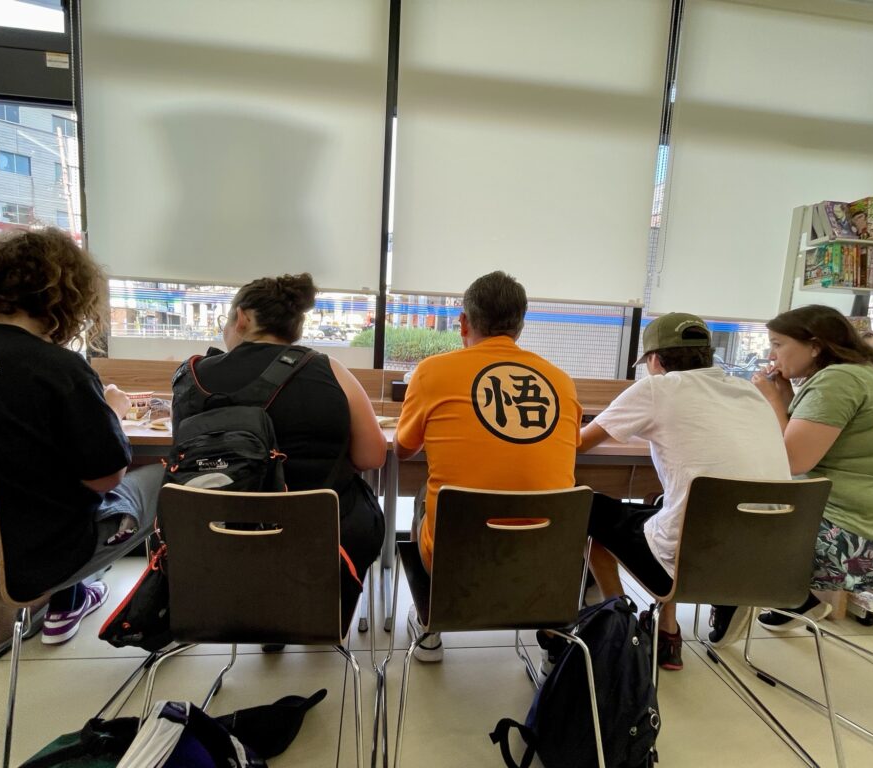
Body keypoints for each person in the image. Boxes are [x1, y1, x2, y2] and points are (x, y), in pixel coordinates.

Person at [0, 228, 160, 645]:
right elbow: (105, 478)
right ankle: (153, 615)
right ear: (66, 297)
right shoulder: (54, 367)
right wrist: (112, 413)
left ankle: (73, 599)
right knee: (163, 476)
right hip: (28, 566)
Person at [170, 272, 386, 645]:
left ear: (242, 318)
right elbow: (372, 456)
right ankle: (312, 619)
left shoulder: (191, 379)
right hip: (321, 552)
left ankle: (260, 618)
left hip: (215, 552)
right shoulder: (330, 371)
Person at [579, 313, 791, 670]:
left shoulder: (657, 388)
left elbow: (580, 443)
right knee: (668, 508)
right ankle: (669, 630)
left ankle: (620, 622)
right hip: (761, 561)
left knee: (588, 508)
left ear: (654, 360)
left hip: (687, 563)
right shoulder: (746, 390)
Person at [394, 271, 582, 662]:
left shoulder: (432, 371)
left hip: (455, 561)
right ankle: (553, 648)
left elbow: (402, 450)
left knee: (423, 497)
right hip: (544, 564)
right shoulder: (562, 383)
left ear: (463, 323)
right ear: (520, 326)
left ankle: (431, 628)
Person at [752, 305, 873, 629]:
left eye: (778, 344)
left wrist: (772, 399)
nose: (771, 355)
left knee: (720, 528)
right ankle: (794, 602)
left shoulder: (838, 380)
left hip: (855, 539)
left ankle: (751, 607)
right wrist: (784, 396)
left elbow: (793, 460)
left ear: (815, 346)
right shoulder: (871, 372)